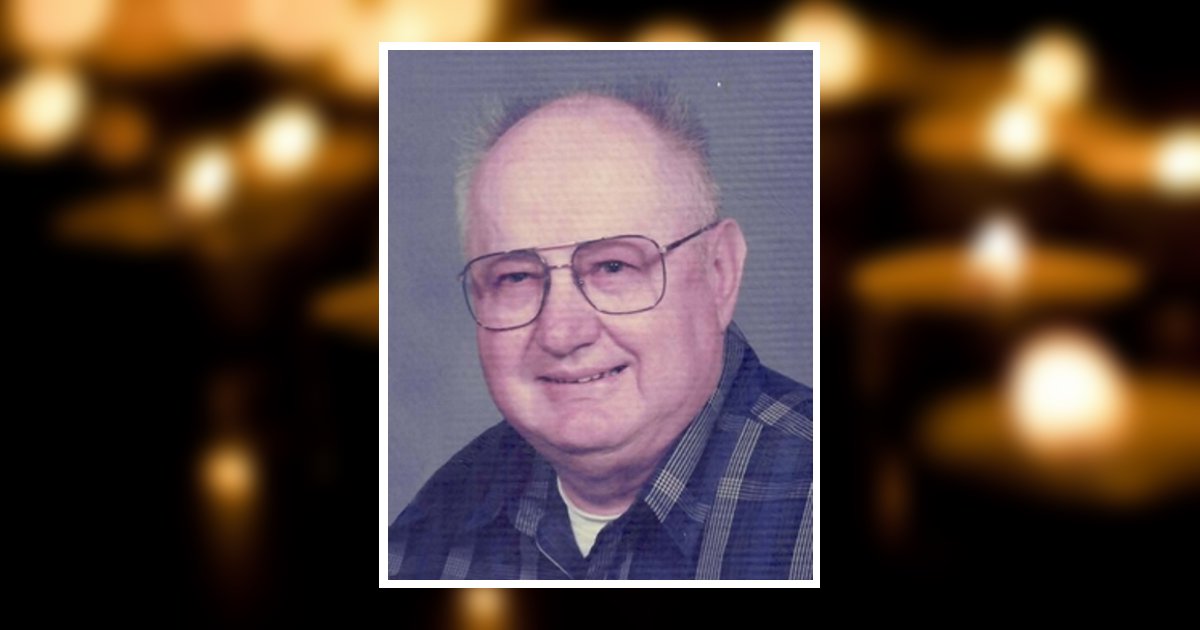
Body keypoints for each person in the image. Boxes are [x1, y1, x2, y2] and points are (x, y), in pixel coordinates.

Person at [388, 86, 813, 580]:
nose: (562, 332)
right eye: (517, 277)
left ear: (719, 272)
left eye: (613, 266)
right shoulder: (427, 536)